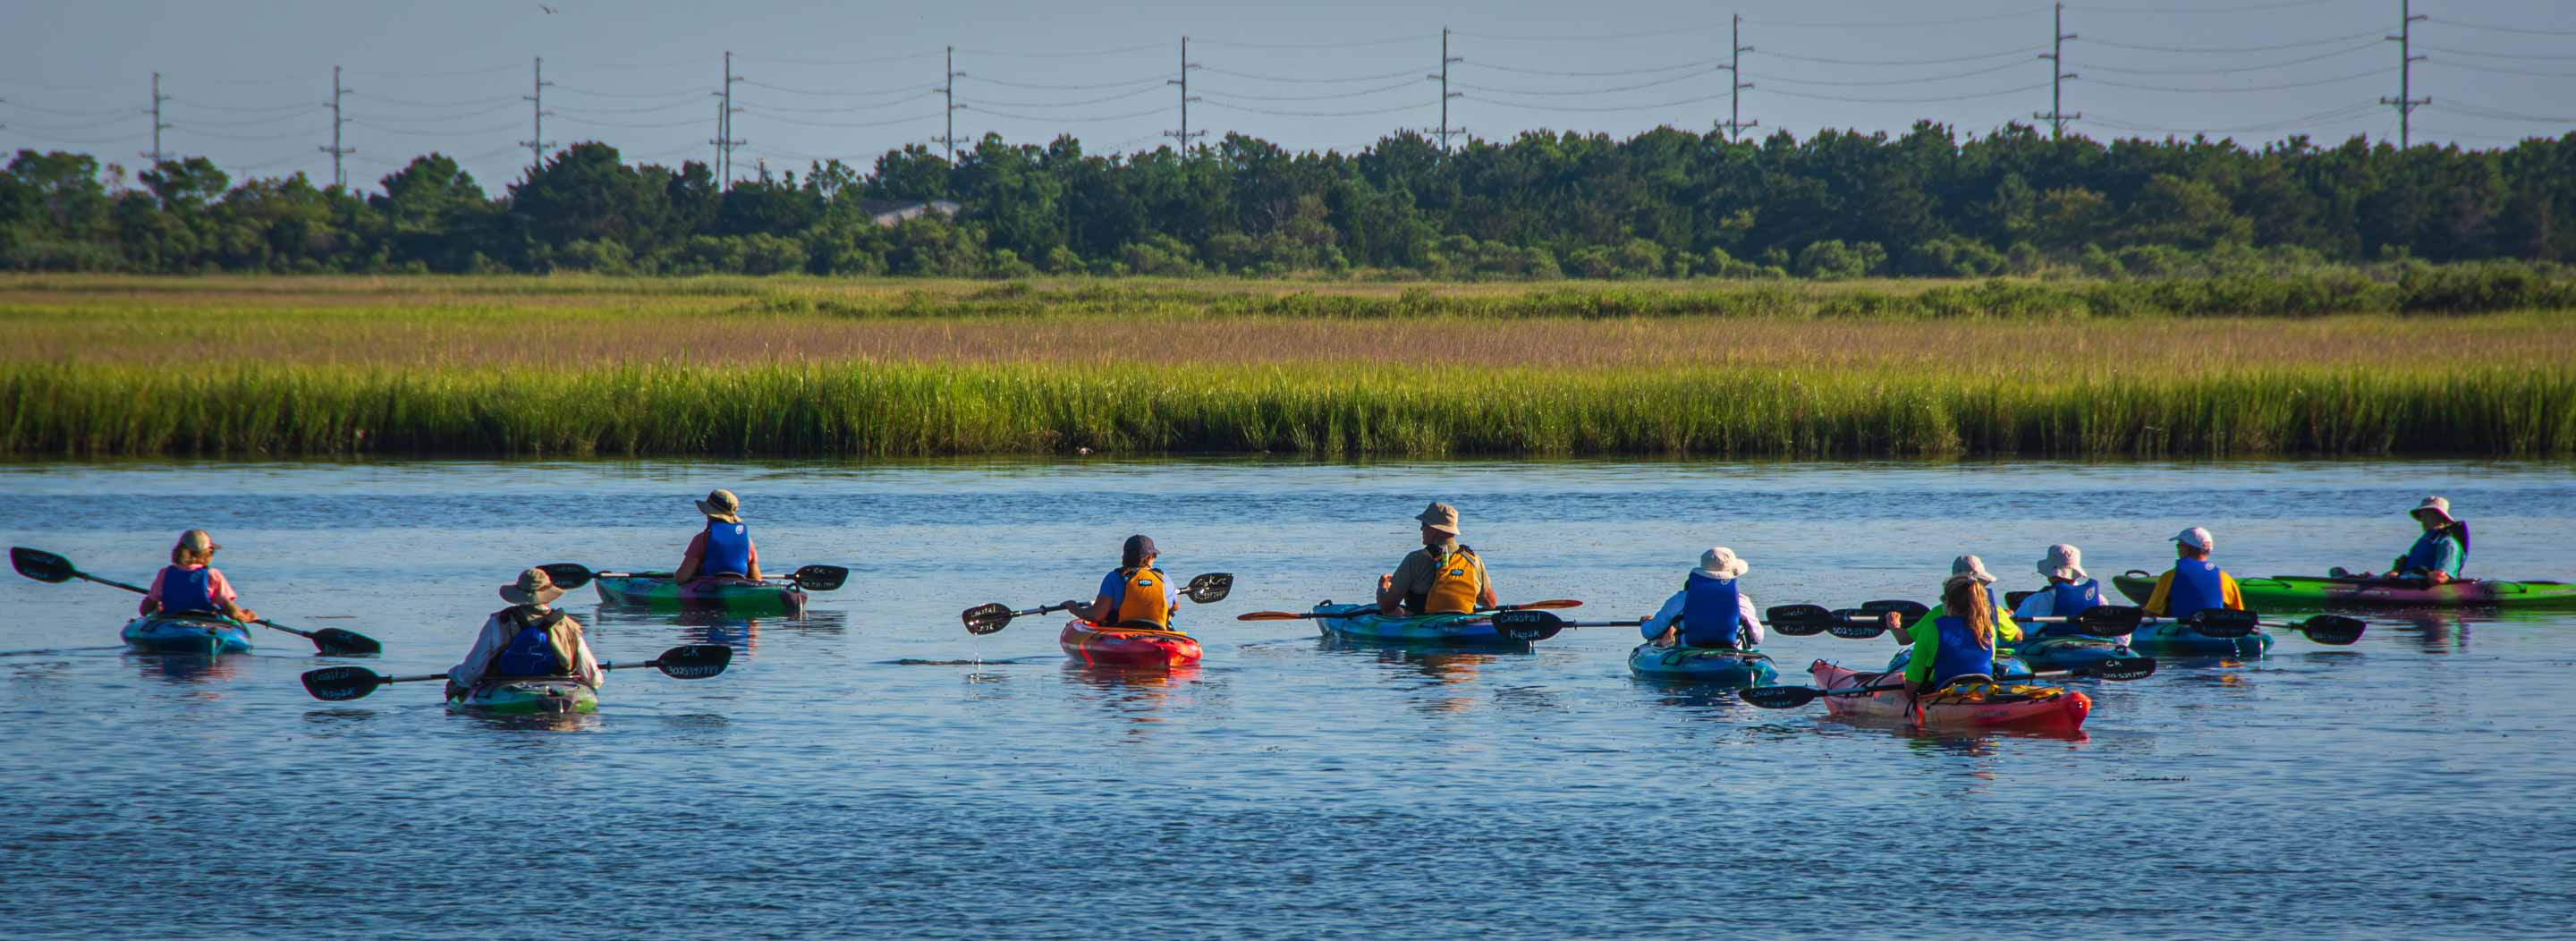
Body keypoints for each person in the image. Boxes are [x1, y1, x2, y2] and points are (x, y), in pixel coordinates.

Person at [446, 567, 604, 699]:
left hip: (507, 687)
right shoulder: (569, 625)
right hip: (560, 691)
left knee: (456, 688)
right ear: (548, 594)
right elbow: (594, 678)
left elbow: (471, 672)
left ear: (518, 594)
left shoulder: (500, 621)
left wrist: (455, 675)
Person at [1884, 555, 2023, 669]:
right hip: (1983, 677)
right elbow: (2018, 637)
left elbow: (1904, 639)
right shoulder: (1995, 612)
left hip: (1942, 681)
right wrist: (2006, 618)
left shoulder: (1939, 612)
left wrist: (1894, 625)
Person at [1377, 502, 1497, 616]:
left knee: (1394, 612)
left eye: (1424, 524)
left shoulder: (1415, 559)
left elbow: (1387, 606)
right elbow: (1490, 603)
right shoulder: (1474, 560)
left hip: (1424, 626)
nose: (1421, 529)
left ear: (1435, 529)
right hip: (1464, 623)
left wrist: (1382, 587)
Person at [1898, 572, 2010, 693]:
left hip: (1941, 694)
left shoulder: (1931, 629)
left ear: (1948, 603)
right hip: (1982, 692)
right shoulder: (1988, 629)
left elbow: (1912, 684)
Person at [1640, 547, 1765, 649]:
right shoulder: (1742, 602)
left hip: (1688, 654)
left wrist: (1645, 623)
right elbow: (1757, 638)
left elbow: (1650, 632)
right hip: (1732, 655)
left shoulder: (1680, 600)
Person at [139, 529, 258, 623]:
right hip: (205, 622)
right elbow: (229, 610)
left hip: (171, 620)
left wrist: (157, 610)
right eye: (212, 551)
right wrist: (245, 617)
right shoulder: (213, 575)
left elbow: (145, 609)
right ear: (207, 553)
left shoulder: (165, 573)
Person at [1071, 535, 1182, 630]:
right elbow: (1175, 606)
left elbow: (1098, 615)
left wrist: (1075, 609)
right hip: (1157, 633)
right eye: (1154, 556)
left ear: (1124, 556)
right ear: (1149, 558)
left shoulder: (1114, 578)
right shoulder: (1164, 578)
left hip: (1121, 633)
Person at [2139, 526, 2246, 618]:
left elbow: (2151, 613)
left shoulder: (2169, 577)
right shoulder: (2225, 578)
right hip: (2212, 631)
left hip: (2179, 632)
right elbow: (2239, 614)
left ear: (2187, 549)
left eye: (2179, 545)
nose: (2178, 549)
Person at [2011, 544, 2106, 639]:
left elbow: (2013, 632)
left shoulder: (2036, 600)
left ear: (2051, 575)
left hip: (2051, 648)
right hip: (2092, 645)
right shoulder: (2099, 599)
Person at [674, 488, 763, 584]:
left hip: (708, 590)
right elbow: (756, 579)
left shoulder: (701, 539)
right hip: (739, 588)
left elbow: (682, 578)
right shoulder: (747, 541)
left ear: (709, 514)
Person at [2379, 496, 2469, 583]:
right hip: (2408, 585)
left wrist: (2423, 573)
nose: (2423, 519)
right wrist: (2397, 570)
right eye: (2422, 515)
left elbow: (2440, 578)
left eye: (2427, 514)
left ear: (2440, 516)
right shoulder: (2425, 541)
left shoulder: (2448, 544)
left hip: (2430, 592)